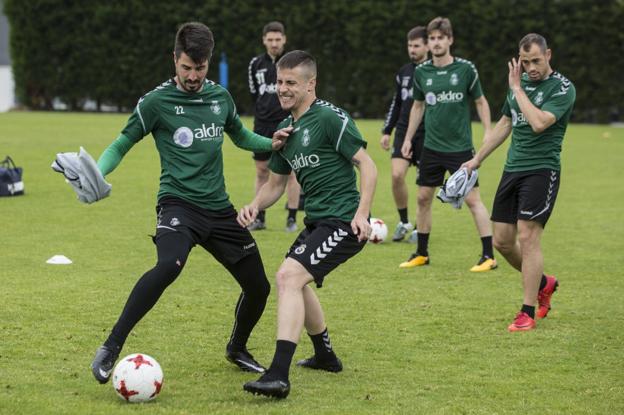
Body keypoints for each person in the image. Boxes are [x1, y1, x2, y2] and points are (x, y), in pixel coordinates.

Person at [90, 22, 291, 384]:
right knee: (169, 265)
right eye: (186, 67)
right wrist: (98, 172)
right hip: (178, 205)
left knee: (259, 286)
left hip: (219, 209)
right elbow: (121, 143)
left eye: (200, 68)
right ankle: (111, 346)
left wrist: (271, 143)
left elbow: (242, 136)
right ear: (175, 59)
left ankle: (237, 348)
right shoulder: (156, 101)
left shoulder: (220, 97)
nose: (193, 75)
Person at [238, 50, 377, 399]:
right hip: (318, 222)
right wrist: (254, 205)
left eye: (291, 83)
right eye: (279, 82)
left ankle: (278, 374)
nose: (282, 89)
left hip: (343, 223)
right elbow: (275, 184)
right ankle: (326, 356)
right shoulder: (287, 132)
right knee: (296, 282)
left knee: (288, 277)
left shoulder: (329, 118)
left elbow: (368, 165)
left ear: (311, 84)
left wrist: (362, 214)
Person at [462, 33, 575, 331]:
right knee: (502, 241)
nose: (530, 68)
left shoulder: (562, 88)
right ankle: (543, 283)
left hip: (542, 170)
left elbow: (539, 123)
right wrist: (477, 159)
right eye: (524, 62)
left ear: (548, 54)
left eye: (536, 60)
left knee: (527, 237)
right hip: (513, 170)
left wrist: (517, 87)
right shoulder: (519, 84)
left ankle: (526, 311)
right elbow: (506, 123)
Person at [399, 16, 496, 272]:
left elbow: (481, 101)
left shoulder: (466, 69)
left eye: (441, 37)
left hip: (461, 149)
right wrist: (408, 139)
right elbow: (417, 107)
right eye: (432, 38)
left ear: (450, 40)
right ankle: (421, 253)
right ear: (428, 43)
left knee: (473, 200)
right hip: (431, 147)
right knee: (422, 198)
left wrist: (488, 130)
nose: (437, 42)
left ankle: (488, 255)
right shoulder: (422, 72)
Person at [247, 21, 302, 232]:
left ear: (284, 39)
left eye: (277, 39)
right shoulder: (255, 64)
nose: (274, 43)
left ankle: (292, 217)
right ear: (264, 40)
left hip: (288, 123)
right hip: (262, 123)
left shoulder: (293, 63)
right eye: (270, 39)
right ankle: (259, 217)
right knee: (262, 171)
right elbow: (254, 94)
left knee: (292, 172)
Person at [380, 26, 428, 243]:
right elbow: (397, 102)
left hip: (427, 134)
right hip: (402, 130)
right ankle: (404, 221)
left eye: (416, 45)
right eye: (410, 45)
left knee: (423, 184)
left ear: (426, 46)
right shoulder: (403, 72)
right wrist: (386, 130)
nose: (412, 49)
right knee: (397, 175)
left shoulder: (433, 72)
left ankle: (420, 228)